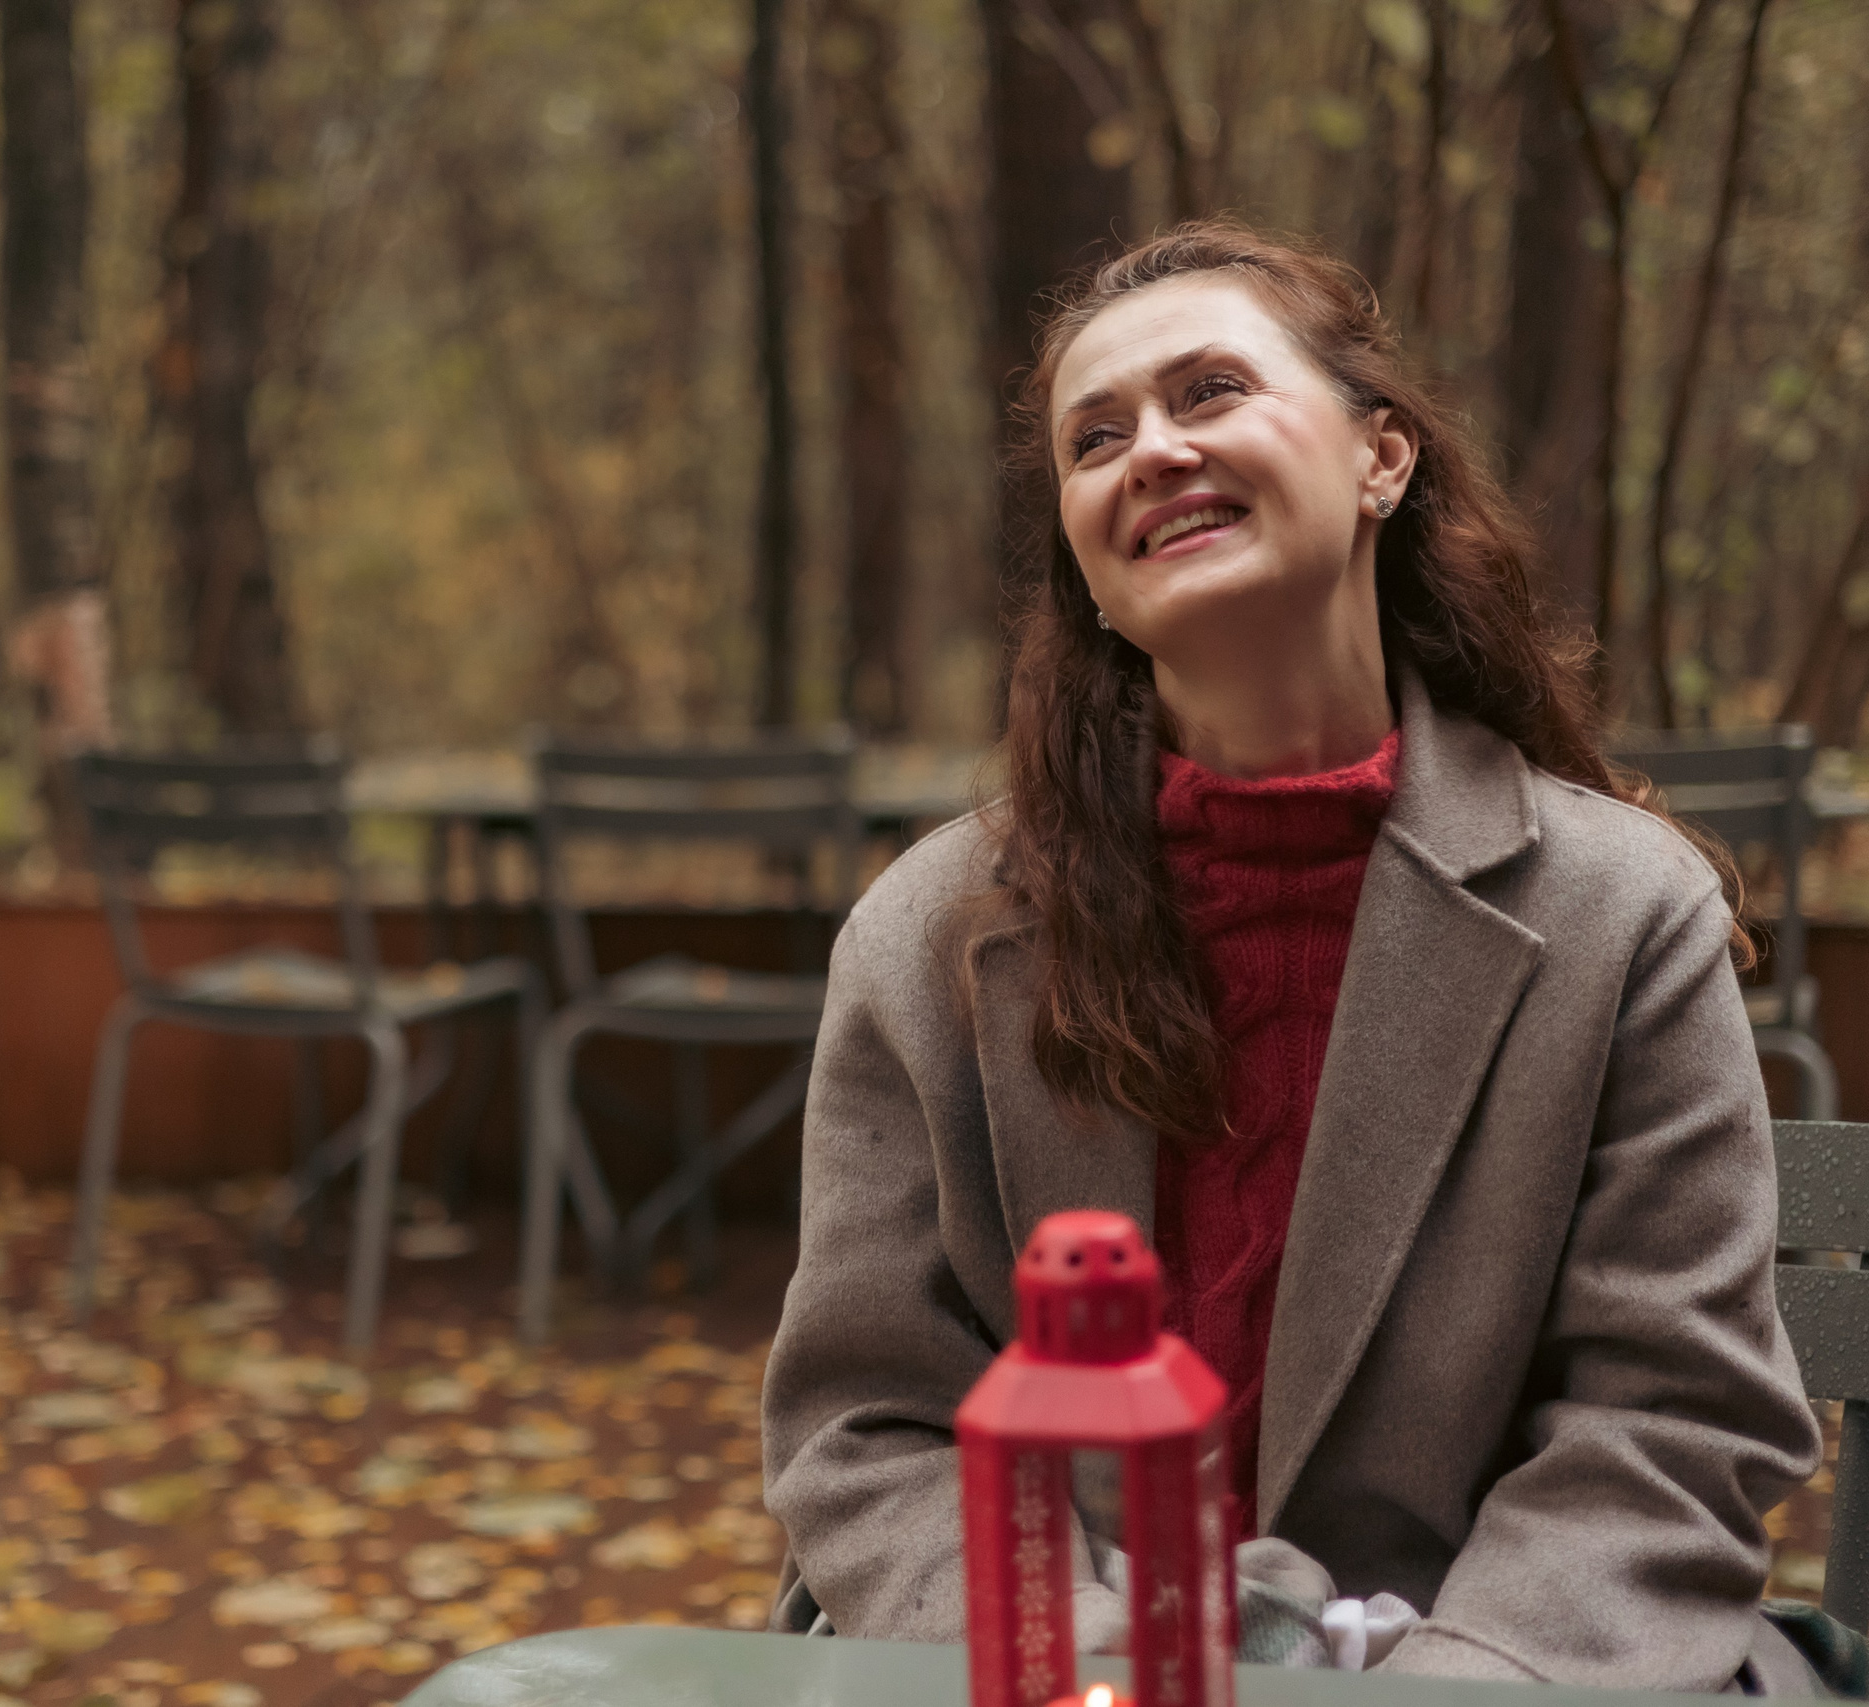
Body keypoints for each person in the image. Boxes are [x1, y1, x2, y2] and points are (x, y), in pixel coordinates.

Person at [759, 219, 1825, 1693]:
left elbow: (1672, 1423)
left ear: (1382, 458)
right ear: (1083, 554)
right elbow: (868, 1425)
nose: (1151, 451)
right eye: (1096, 438)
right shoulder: (930, 934)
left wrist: (1448, 1688)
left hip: (1508, 1666)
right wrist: (1108, 1673)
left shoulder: (1621, 914)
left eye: (1209, 392)